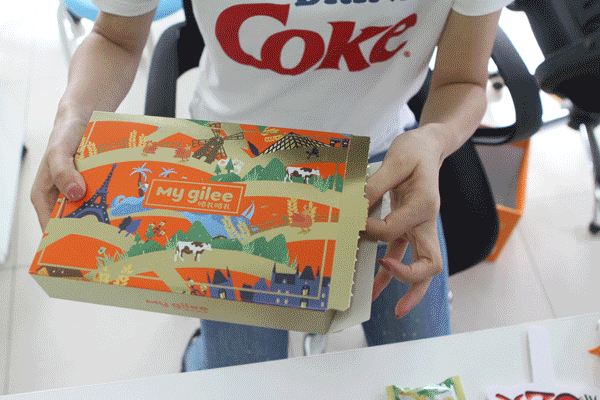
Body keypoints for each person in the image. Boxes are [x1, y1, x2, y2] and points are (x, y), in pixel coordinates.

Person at [31, 0, 512, 371]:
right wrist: (73, 115)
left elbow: (463, 79)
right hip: (231, 162)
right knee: (240, 372)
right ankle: (205, 348)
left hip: (382, 166)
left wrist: (433, 140)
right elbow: (115, 38)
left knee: (424, 369)